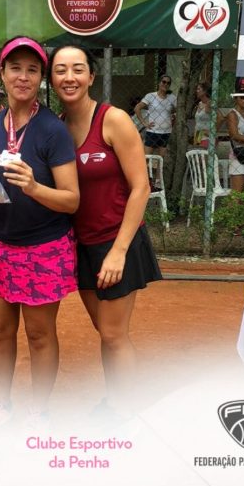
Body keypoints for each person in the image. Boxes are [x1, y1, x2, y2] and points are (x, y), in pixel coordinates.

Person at [0, 36, 79, 426]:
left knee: (40, 335)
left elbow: (71, 200)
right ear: (2, 73)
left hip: (44, 247)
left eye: (32, 70)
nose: (23, 77)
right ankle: (1, 406)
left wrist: (33, 186)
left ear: (41, 78)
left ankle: (39, 411)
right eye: (15, 68)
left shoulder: (52, 130)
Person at [49, 44, 162, 421]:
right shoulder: (56, 128)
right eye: (60, 70)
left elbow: (141, 187)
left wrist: (119, 251)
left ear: (91, 76)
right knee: (107, 332)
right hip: (81, 247)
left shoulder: (113, 120)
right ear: (52, 79)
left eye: (77, 69)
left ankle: (127, 412)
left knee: (114, 335)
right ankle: (117, 402)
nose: (69, 77)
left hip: (118, 242)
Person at [134, 75, 177, 158]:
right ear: (159, 83)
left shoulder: (172, 98)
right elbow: (137, 108)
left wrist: (174, 120)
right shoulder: (151, 96)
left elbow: (177, 110)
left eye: (168, 83)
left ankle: (159, 168)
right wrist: (144, 123)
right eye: (164, 82)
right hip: (152, 132)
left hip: (166, 133)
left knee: (162, 160)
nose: (166, 84)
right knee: (147, 158)